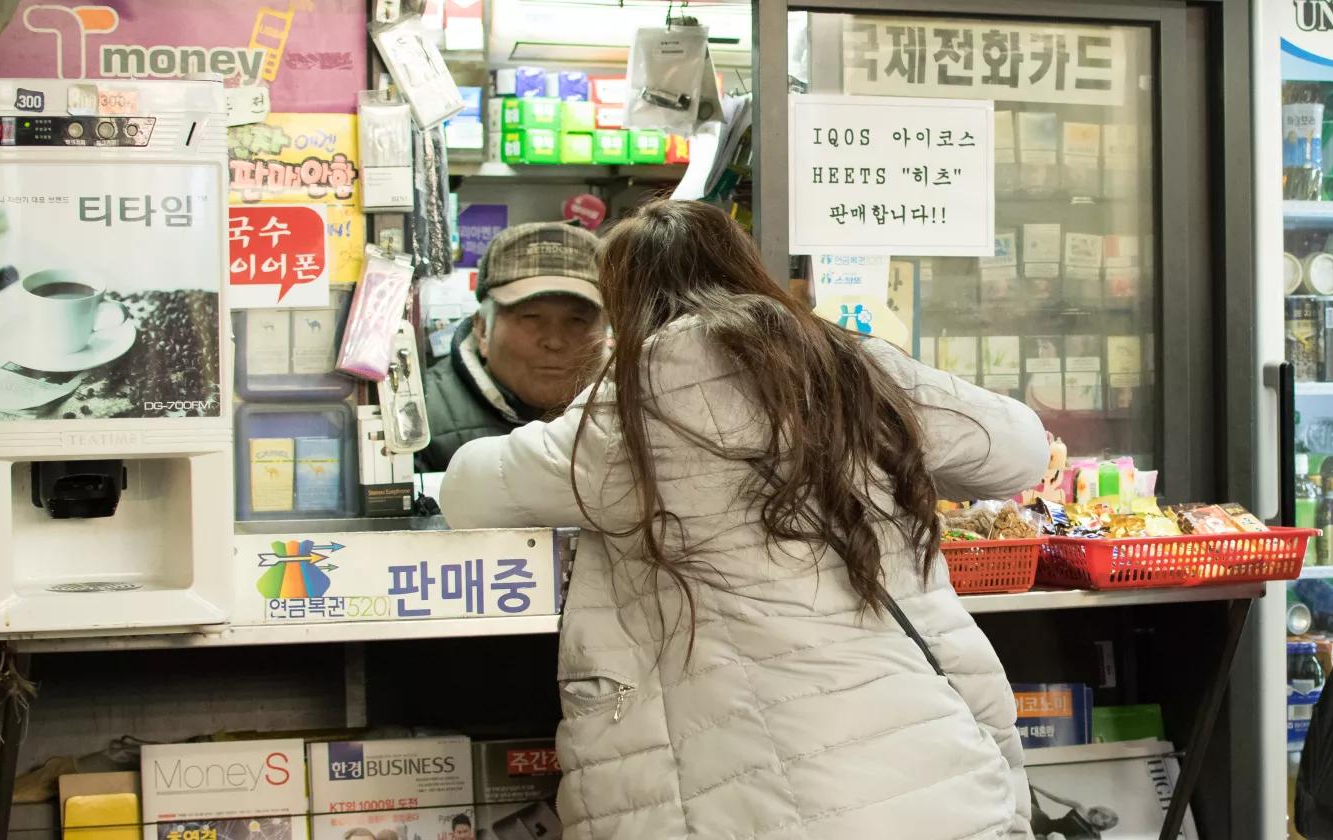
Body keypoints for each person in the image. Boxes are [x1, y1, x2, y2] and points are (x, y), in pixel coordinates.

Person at [442, 200, 1047, 839]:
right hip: (937, 775)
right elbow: (1021, 452)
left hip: (747, 803)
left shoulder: (628, 415)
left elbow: (468, 491)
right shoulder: (851, 365)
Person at [418, 221, 607, 472]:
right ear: (483, 329)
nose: (554, 341)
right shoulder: (421, 417)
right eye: (531, 318)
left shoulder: (632, 411)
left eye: (577, 320)